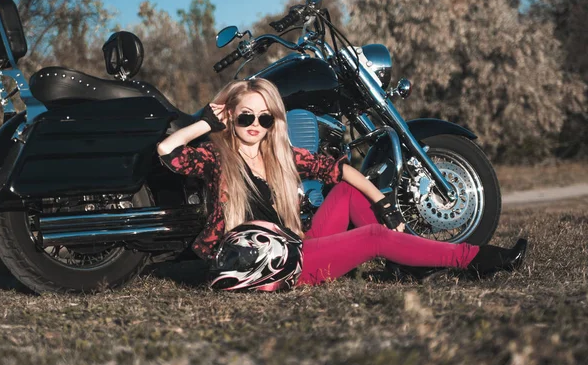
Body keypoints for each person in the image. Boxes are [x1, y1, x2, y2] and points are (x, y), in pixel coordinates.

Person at [157, 78, 527, 287]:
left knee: (349, 190)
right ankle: (475, 259)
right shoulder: (217, 158)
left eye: (265, 118)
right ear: (231, 118)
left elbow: (338, 170)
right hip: (266, 264)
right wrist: (207, 121)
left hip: (296, 247)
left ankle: (407, 261)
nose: (255, 125)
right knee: (374, 238)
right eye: (246, 117)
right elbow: (168, 151)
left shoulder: (279, 157)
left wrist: (381, 203)